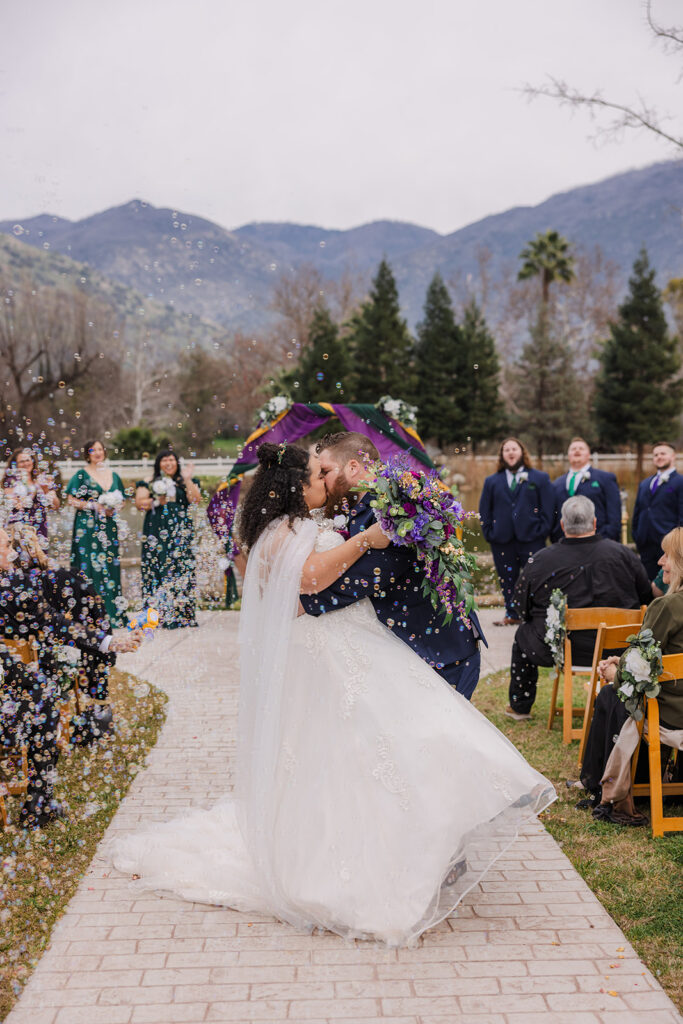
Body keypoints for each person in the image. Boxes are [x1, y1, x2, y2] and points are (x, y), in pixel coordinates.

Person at [109, 442, 554, 947]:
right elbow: (313, 576)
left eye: (326, 472)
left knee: (373, 748)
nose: (324, 482)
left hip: (350, 643)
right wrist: (365, 539)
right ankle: (370, 859)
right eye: (317, 477)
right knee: (360, 749)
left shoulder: (307, 521)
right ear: (298, 488)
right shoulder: (286, 531)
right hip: (326, 649)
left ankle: (420, 845)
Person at [302, 431, 485, 699]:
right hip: (415, 649)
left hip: (443, 653)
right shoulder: (362, 507)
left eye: (326, 471)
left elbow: (366, 578)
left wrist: (300, 605)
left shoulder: (396, 509)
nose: (323, 480)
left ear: (353, 467)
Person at [0, 527, 140, 826]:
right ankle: (38, 803)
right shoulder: (12, 589)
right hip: (12, 705)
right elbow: (56, 625)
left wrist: (108, 641)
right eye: (5, 545)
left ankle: (38, 798)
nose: (12, 550)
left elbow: (54, 624)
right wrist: (109, 642)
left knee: (40, 691)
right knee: (42, 699)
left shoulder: (13, 586)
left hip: (10, 695)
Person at [506, 495, 651, 721]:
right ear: (594, 523)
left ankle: (520, 706)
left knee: (523, 635)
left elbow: (519, 605)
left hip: (565, 650)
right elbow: (647, 598)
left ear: (562, 525)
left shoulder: (541, 560)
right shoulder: (624, 555)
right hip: (619, 650)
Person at [581, 527, 683, 825]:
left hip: (674, 714)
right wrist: (624, 661)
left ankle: (607, 787)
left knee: (613, 694)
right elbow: (655, 655)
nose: (661, 562)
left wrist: (615, 672)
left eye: (667, 555)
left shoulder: (666, 606)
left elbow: (634, 674)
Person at [7, 523, 115, 701]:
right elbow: (97, 616)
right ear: (33, 549)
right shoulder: (67, 578)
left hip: (25, 671)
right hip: (71, 656)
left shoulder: (11, 590)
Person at [479, 437, 555, 626]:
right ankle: (512, 614)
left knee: (534, 577)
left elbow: (548, 508)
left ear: (522, 452)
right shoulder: (492, 481)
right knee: (507, 578)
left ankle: (534, 616)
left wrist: (542, 531)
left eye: (514, 449)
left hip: (532, 538)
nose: (511, 453)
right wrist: (489, 533)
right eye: (507, 450)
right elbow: (484, 511)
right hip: (501, 539)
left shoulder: (539, 478)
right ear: (502, 455)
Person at [134, 450, 201, 628]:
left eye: (171, 459)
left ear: (177, 462)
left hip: (180, 532)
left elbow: (195, 500)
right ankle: (156, 615)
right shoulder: (148, 482)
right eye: (164, 460)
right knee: (154, 567)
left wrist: (187, 478)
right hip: (155, 530)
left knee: (181, 567)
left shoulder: (186, 482)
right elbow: (140, 503)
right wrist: (157, 500)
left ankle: (182, 614)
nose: (168, 463)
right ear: (158, 463)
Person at [66, 439, 126, 625]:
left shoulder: (114, 475)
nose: (98, 453)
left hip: (108, 526)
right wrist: (94, 505)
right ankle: (90, 614)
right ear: (87, 454)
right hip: (87, 526)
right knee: (89, 566)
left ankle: (112, 612)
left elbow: (122, 500)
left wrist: (114, 507)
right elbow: (70, 499)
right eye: (93, 450)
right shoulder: (82, 475)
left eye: (100, 449)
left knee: (109, 565)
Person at [551, 437, 621, 541]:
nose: (577, 450)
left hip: (598, 542)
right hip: (564, 544)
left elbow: (614, 514)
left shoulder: (605, 478)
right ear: (568, 455)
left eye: (581, 448)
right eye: (573, 449)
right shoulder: (556, 483)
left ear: (589, 454)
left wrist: (605, 538)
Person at [632, 442, 683, 580]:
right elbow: (638, 511)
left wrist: (676, 543)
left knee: (667, 584)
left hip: (668, 546)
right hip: (645, 544)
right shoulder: (644, 484)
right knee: (647, 584)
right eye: (655, 454)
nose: (659, 457)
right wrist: (637, 535)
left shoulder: (680, 482)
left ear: (673, 456)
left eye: (663, 453)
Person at [2, 447, 60, 548]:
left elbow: (56, 505)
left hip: (40, 524)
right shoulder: (11, 481)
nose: (25, 463)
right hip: (20, 526)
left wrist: (46, 490)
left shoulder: (42, 480)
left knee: (40, 558)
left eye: (28, 460)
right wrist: (36, 488)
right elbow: (16, 503)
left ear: (32, 461)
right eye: (21, 461)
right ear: (16, 465)